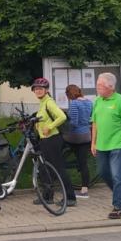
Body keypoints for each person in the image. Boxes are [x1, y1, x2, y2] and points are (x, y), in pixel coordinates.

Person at [91, 72, 121, 220]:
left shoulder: (120, 101)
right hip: (101, 144)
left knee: (117, 175)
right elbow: (94, 123)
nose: (97, 88)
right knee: (102, 172)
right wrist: (93, 142)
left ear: (110, 87)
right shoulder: (97, 101)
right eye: (97, 85)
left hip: (117, 144)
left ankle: (118, 206)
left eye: (100, 85)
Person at [31, 78, 77, 207]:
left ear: (46, 90)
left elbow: (61, 116)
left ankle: (70, 197)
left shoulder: (49, 102)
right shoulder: (42, 102)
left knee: (58, 168)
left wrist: (49, 127)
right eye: (36, 89)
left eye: (41, 89)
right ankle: (47, 196)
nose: (38, 91)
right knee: (44, 168)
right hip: (45, 140)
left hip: (53, 140)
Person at [64, 84, 93, 199]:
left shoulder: (74, 104)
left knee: (60, 146)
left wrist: (64, 126)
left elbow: (73, 123)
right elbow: (91, 118)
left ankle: (59, 172)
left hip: (76, 136)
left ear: (69, 94)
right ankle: (84, 190)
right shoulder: (89, 102)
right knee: (83, 163)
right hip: (86, 135)